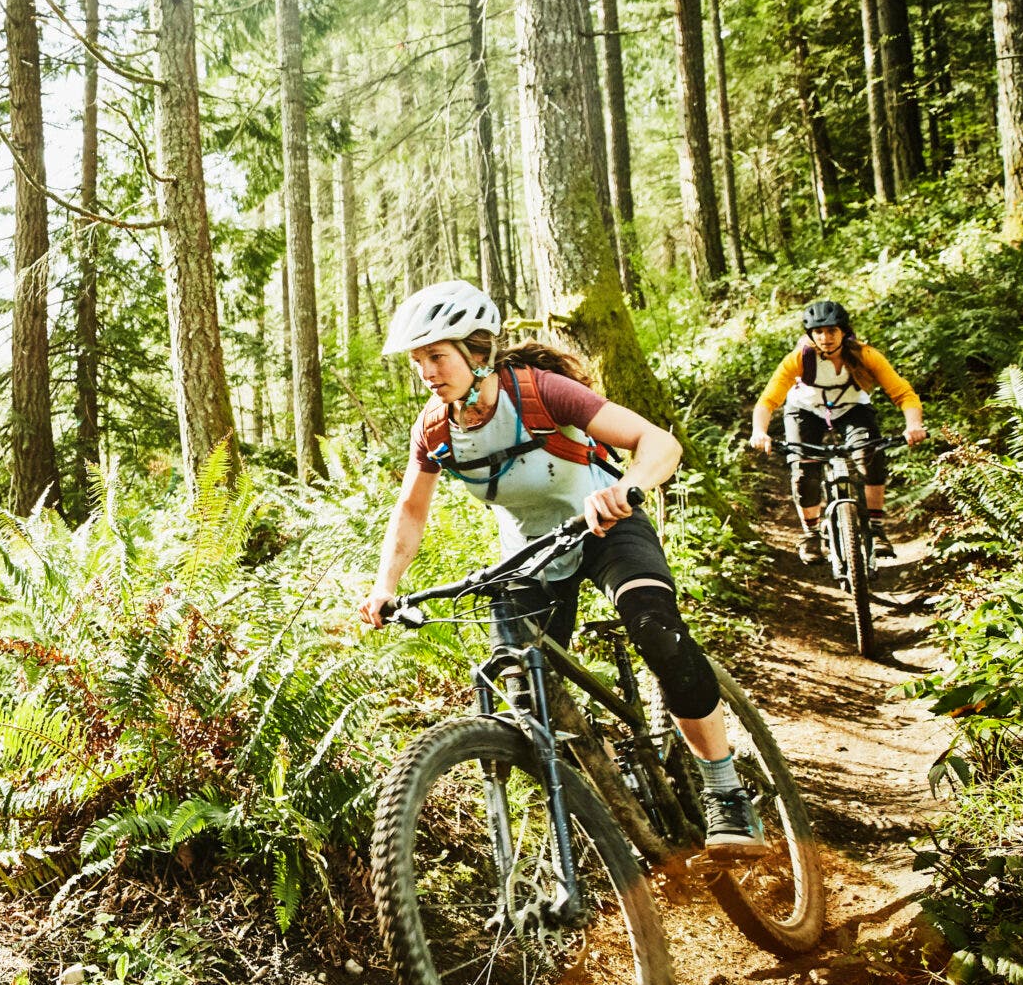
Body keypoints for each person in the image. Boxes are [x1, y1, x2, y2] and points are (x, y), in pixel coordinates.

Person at [357, 279, 769, 855]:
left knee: (655, 628)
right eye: (417, 360)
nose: (426, 370)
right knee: (532, 698)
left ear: (478, 353)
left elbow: (659, 444)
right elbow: (410, 511)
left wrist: (627, 488)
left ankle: (725, 790)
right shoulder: (434, 428)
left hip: (606, 525)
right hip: (529, 553)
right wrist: (385, 587)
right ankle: (600, 806)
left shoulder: (541, 392)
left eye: (437, 355)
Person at [748, 299, 924, 564]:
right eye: (819, 332)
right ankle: (811, 535)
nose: (826, 338)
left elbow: (903, 394)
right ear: (810, 335)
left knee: (869, 455)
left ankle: (876, 529)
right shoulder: (800, 358)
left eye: (832, 331)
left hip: (853, 409)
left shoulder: (865, 355)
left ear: (843, 331)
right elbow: (768, 401)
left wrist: (914, 426)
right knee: (805, 471)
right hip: (805, 411)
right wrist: (759, 431)